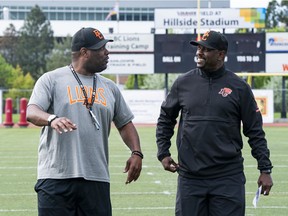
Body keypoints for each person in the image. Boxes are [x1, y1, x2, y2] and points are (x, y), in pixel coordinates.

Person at [26, 27, 143, 216]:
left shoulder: (110, 87)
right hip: (56, 177)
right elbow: (31, 112)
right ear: (84, 52)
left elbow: (125, 123)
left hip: (96, 178)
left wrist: (136, 152)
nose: (107, 52)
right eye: (101, 49)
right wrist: (51, 119)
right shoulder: (51, 79)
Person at [156, 30, 273, 216]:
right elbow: (165, 119)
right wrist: (163, 153)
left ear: (221, 54)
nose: (199, 52)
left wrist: (265, 168)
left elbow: (255, 131)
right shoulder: (183, 83)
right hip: (190, 178)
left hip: (228, 178)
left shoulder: (239, 87)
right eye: (198, 48)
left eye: (206, 49)